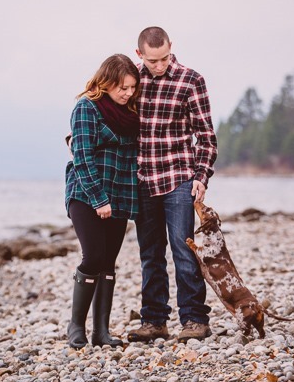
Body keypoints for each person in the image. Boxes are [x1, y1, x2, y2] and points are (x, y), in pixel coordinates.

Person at [128, 26, 218, 344]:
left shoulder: (190, 80)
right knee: (150, 254)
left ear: (171, 48)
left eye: (164, 57)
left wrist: (201, 177)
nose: (160, 65)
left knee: (183, 250)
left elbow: (206, 137)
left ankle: (194, 319)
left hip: (179, 177)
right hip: (142, 180)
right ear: (140, 54)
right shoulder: (131, 80)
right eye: (153, 60)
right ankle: (154, 321)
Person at [65, 54, 141, 349]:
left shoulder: (130, 114)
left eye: (132, 87)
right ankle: (75, 326)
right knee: (93, 257)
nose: (127, 93)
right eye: (122, 87)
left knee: (109, 262)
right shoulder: (86, 108)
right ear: (106, 82)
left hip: (120, 192)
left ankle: (102, 333)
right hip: (86, 194)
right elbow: (81, 156)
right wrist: (98, 199)